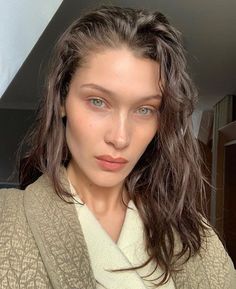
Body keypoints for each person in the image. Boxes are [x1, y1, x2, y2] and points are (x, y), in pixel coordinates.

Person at [0, 5, 235, 289]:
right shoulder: (7, 220)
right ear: (62, 100)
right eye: (98, 102)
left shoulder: (197, 237)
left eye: (145, 109)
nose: (120, 138)